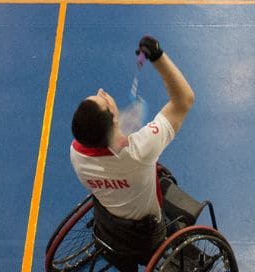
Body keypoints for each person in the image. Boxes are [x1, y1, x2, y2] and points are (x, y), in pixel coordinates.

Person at [69, 36, 194, 272]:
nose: (102, 91)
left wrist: (118, 127)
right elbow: (183, 100)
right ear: (114, 118)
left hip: (110, 228)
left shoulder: (77, 153)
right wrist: (157, 57)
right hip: (148, 235)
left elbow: (111, 145)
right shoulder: (140, 149)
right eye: (102, 98)